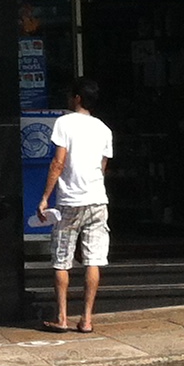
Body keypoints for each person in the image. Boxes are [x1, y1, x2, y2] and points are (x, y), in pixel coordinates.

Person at [36, 76, 112, 333]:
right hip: (97, 199)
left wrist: (45, 197)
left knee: (62, 260)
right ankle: (87, 319)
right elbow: (102, 167)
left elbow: (58, 162)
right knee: (93, 260)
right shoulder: (104, 129)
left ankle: (62, 317)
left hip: (70, 201)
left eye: (71, 95)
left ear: (77, 98)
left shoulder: (64, 123)